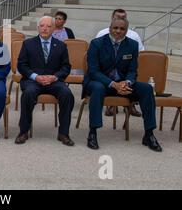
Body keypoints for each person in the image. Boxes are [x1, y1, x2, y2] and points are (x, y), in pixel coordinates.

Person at [84, 17, 162, 152]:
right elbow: (93, 71)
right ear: (110, 28)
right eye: (115, 28)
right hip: (101, 82)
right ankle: (93, 133)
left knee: (146, 89)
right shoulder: (97, 43)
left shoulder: (132, 45)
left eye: (122, 29)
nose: (118, 31)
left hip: (123, 84)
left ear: (126, 31)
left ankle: (149, 134)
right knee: (97, 88)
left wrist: (127, 82)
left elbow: (132, 70)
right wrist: (113, 84)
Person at [15, 16, 75, 146]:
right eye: (42, 25)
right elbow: (22, 65)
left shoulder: (61, 46)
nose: (45, 28)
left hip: (54, 81)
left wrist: (54, 77)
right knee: (28, 94)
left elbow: (66, 67)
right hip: (33, 81)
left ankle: (63, 133)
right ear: (38, 28)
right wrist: (35, 76)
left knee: (67, 94)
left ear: (53, 28)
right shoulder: (28, 44)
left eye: (48, 26)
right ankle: (23, 131)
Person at [96, 9, 143, 117]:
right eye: (118, 17)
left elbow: (140, 55)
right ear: (112, 18)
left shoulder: (134, 36)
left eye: (123, 17)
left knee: (136, 81)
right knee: (99, 85)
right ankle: (111, 105)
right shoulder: (102, 34)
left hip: (124, 73)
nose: (120, 20)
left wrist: (128, 80)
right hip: (106, 75)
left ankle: (132, 104)